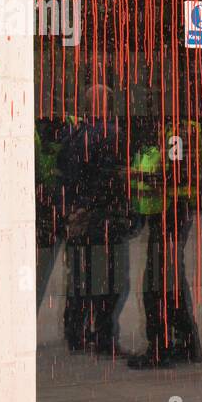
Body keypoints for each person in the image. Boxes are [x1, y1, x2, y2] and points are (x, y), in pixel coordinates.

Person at [57, 84, 133, 358]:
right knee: (112, 279)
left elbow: (66, 172)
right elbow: (113, 177)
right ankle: (103, 336)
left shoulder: (73, 133)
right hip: (103, 216)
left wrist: (75, 208)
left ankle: (75, 333)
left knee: (81, 276)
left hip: (80, 217)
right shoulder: (111, 134)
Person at [127, 117, 202, 369]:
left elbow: (176, 177)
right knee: (170, 280)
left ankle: (160, 347)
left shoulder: (176, 135)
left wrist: (143, 177)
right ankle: (186, 342)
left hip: (171, 213)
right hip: (175, 212)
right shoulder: (184, 130)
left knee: (157, 283)